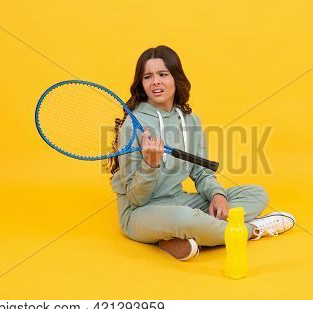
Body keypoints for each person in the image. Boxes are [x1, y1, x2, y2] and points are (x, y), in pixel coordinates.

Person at [109, 45, 295, 261]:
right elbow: (135, 199)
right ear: (141, 84)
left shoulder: (190, 121)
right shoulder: (133, 126)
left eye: (163, 74)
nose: (155, 82)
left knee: (257, 194)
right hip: (139, 213)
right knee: (184, 217)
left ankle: (184, 235)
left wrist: (217, 195)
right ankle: (250, 230)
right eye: (147, 76)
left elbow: (202, 173)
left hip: (178, 201)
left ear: (175, 78)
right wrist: (150, 166)